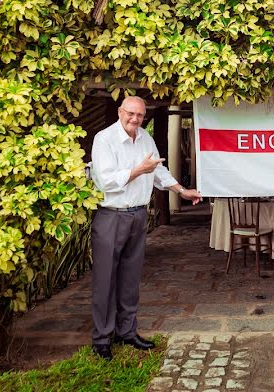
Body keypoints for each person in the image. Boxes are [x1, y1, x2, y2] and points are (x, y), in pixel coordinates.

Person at [89, 96, 202, 360]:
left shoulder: (145, 139)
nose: (135, 119)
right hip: (111, 216)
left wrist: (182, 191)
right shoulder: (104, 139)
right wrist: (139, 169)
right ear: (120, 112)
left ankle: (127, 332)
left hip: (137, 215)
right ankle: (102, 339)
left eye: (140, 115)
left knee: (130, 278)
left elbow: (158, 172)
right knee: (105, 280)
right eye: (131, 114)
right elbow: (106, 181)